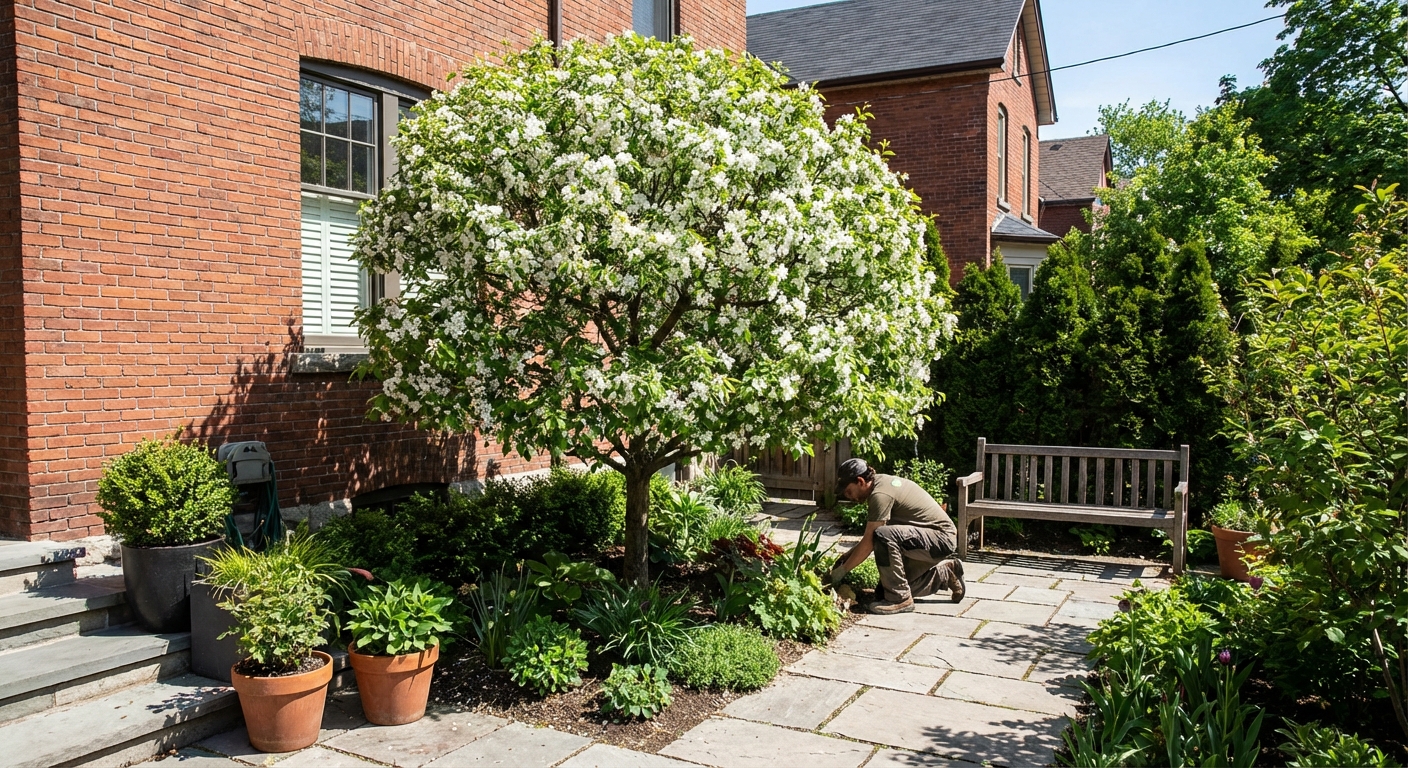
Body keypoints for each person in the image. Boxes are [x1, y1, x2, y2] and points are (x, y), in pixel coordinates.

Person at [827, 458, 964, 615]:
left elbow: (871, 540)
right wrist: (846, 556)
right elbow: (869, 539)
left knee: (882, 535)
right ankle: (946, 574)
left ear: (860, 481)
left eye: (848, 491)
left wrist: (843, 570)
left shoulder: (880, 494)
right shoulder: (880, 485)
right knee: (884, 592)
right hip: (928, 539)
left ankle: (899, 600)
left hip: (941, 539)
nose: (849, 496)